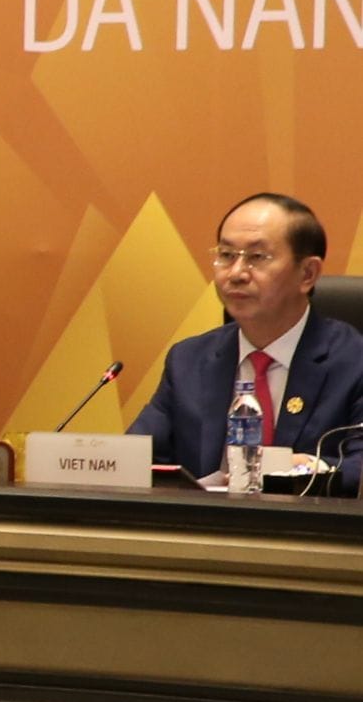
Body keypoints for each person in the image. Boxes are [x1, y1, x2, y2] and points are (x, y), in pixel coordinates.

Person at [130, 193, 363, 489]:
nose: (236, 273)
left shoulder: (354, 362)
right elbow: (138, 460)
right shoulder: (189, 359)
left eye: (257, 257)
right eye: (226, 255)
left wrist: (303, 467)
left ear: (307, 273)